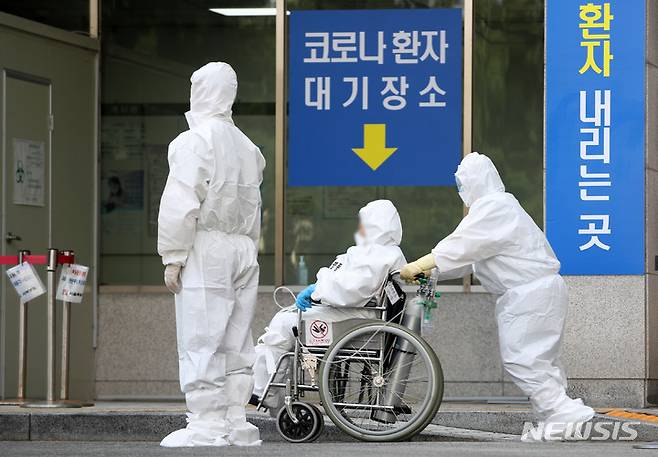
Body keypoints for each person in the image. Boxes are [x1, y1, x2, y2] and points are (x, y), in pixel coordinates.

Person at [401, 152, 594, 438]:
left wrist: (421, 263)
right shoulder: (498, 209)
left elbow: (461, 246)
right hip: (536, 291)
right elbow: (468, 258)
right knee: (540, 360)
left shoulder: (494, 207)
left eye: (462, 183)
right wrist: (431, 270)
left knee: (522, 358)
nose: (461, 190)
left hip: (529, 294)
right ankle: (556, 421)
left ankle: (564, 410)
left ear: (476, 181)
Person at [157, 62, 266, 447]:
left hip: (207, 245)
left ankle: (205, 423)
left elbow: (181, 202)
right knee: (236, 338)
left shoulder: (194, 141)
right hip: (243, 248)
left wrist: (173, 254)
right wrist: (249, 247)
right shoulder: (248, 146)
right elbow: (254, 208)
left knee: (201, 334)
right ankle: (236, 420)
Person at [252, 200, 406, 410]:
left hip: (357, 316)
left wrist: (318, 290)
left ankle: (263, 390)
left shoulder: (381, 255)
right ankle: (268, 392)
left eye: (363, 223)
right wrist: (320, 287)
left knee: (285, 323)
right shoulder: (374, 252)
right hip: (353, 313)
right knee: (286, 320)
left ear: (375, 225)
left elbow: (352, 289)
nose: (359, 228)